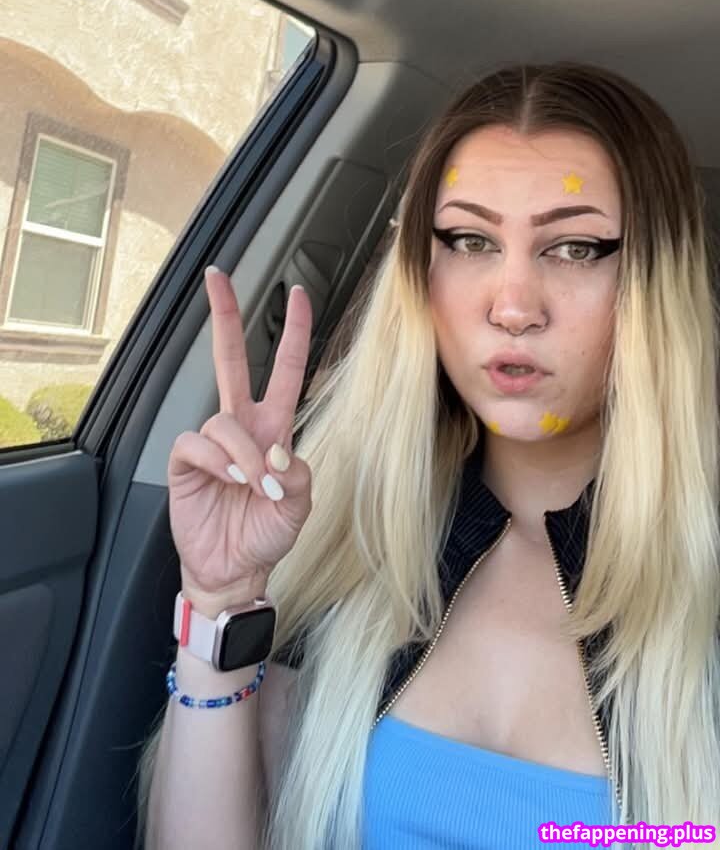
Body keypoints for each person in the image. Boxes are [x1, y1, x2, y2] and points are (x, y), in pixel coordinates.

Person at [136, 61, 720, 850]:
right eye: (471, 240)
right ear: (422, 271)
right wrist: (220, 603)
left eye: (575, 247)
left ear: (655, 281)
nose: (512, 305)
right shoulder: (336, 551)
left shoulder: (702, 591)